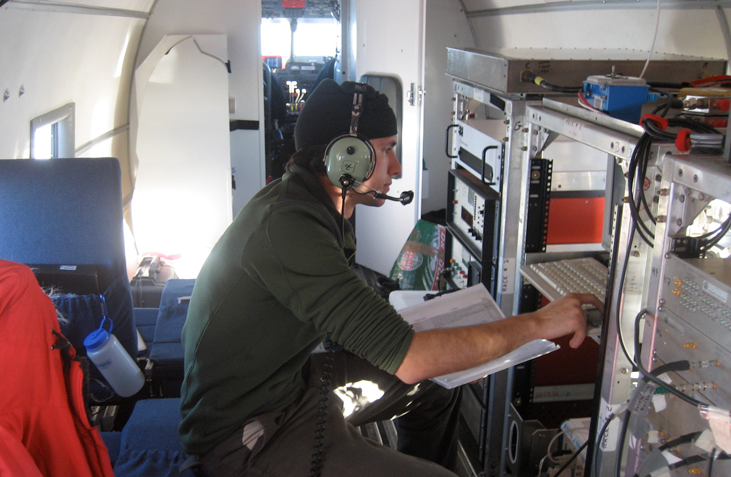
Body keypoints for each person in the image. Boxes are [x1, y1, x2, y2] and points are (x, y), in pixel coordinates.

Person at [179, 79, 603, 476]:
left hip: (288, 384)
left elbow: (362, 326)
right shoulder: (290, 229)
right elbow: (413, 358)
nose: (396, 168)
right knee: (424, 367)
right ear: (347, 157)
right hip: (245, 435)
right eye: (387, 150)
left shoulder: (311, 206)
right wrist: (540, 323)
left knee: (435, 385)